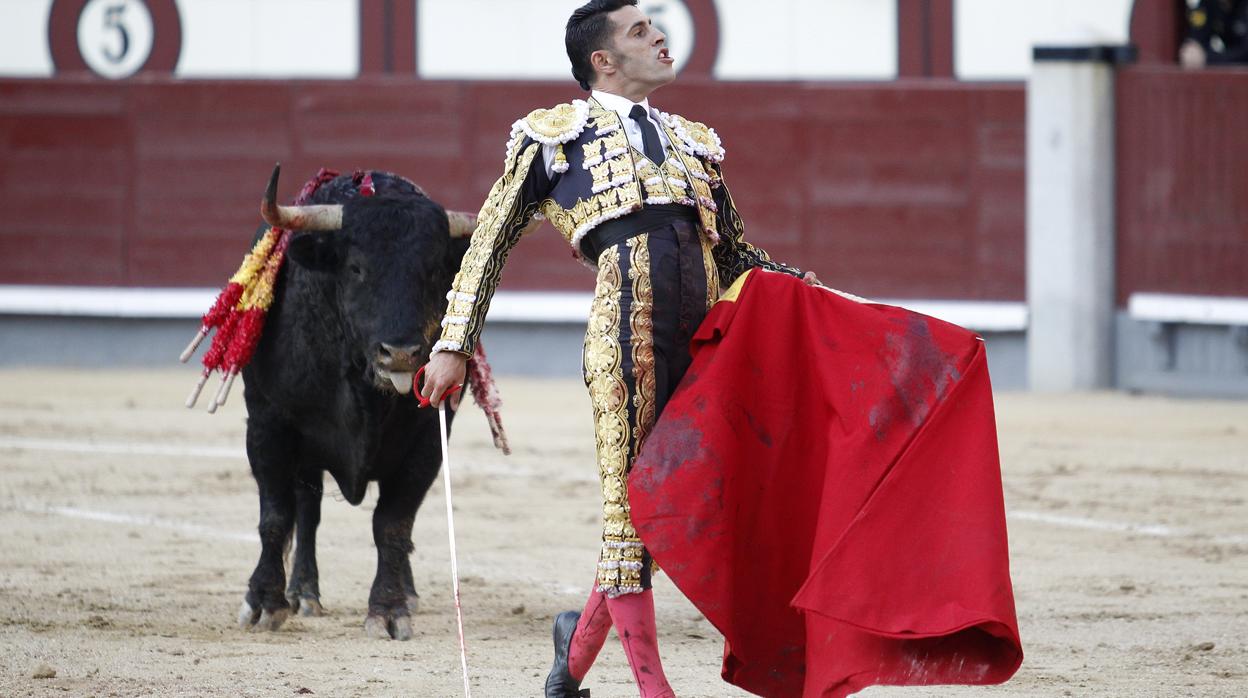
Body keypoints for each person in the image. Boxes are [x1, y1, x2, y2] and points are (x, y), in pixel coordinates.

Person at [419, 2, 819, 695]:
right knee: (630, 520)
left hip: (701, 348)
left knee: (675, 513)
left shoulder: (695, 142)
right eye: (640, 31)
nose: (660, 37)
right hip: (624, 339)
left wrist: (806, 290)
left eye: (655, 27)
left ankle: (570, 661)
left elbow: (734, 255)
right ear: (601, 60)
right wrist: (454, 343)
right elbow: (489, 241)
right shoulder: (552, 138)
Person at [1180, 0, 1248, 67]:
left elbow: (1245, 52)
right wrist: (1193, 51)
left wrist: (1208, 58)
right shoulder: (1208, 3)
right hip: (1227, 65)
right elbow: (1197, 40)